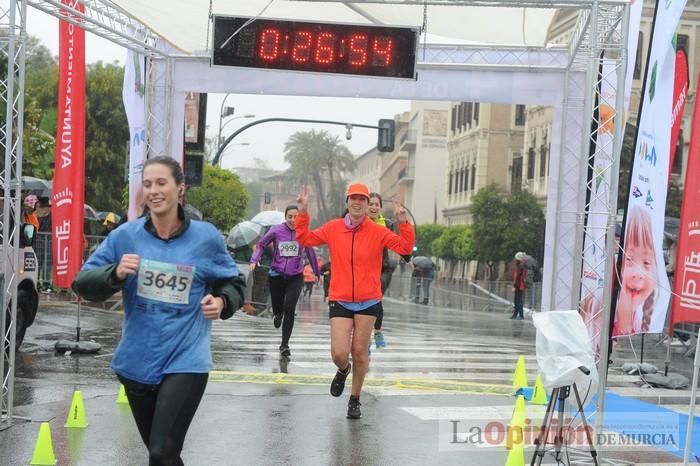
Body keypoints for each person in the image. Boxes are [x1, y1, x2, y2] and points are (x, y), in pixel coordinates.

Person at [71, 156, 245, 465]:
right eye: (148, 184)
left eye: (161, 183)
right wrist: (114, 273)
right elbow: (82, 283)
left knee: (160, 452)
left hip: (186, 359)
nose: (154, 190)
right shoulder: (125, 236)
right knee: (165, 455)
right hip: (136, 361)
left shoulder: (205, 238)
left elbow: (233, 280)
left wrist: (222, 301)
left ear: (180, 189)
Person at [295, 182, 415, 419]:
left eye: (362, 198)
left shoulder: (378, 231)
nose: (358, 202)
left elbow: (405, 247)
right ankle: (343, 370)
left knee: (360, 351)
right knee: (339, 353)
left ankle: (355, 398)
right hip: (340, 297)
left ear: (366, 203)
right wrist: (303, 212)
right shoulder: (333, 228)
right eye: (354, 198)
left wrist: (403, 222)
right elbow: (304, 239)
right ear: (347, 202)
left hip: (368, 299)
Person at [250, 205, 320, 357]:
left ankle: (284, 345)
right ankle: (277, 314)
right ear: (286, 217)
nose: (293, 220)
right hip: (277, 275)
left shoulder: (303, 233)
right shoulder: (276, 230)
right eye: (290, 217)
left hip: (296, 276)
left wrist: (316, 271)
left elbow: (310, 252)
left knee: (290, 308)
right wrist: (254, 259)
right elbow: (261, 244)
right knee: (278, 306)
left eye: (296, 217)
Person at [366, 192, 412, 350]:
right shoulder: (358, 222)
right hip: (364, 269)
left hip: (384, 268)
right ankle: (365, 337)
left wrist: (408, 258)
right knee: (365, 303)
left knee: (376, 298)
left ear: (380, 207)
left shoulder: (387, 224)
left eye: (376, 204)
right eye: (370, 204)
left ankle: (377, 331)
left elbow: (396, 244)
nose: (373, 207)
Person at [613, 206, 658, 336]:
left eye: (646, 262)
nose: (638, 274)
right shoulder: (599, 313)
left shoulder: (639, 320)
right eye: (630, 259)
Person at [511, 252, 527, 320]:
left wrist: (514, 286)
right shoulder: (522, 265)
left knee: (518, 301)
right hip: (520, 285)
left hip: (519, 286)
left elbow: (518, 277)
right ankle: (515, 315)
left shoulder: (520, 266)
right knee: (517, 301)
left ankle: (520, 315)